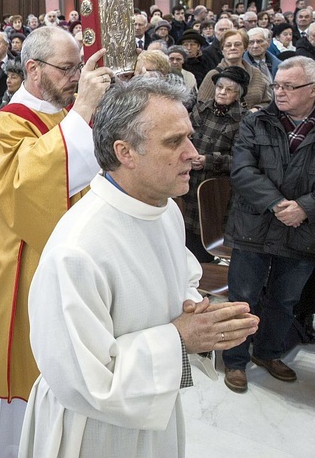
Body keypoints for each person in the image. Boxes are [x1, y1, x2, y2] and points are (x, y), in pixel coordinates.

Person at [19, 76, 258, 458]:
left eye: (189, 137)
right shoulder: (78, 248)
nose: (194, 153)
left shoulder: (163, 211)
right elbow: (83, 381)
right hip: (92, 431)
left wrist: (193, 309)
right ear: (125, 152)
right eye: (173, 141)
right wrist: (181, 339)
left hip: (151, 408)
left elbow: (177, 279)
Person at [0, 26, 113, 457]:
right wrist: (86, 107)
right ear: (33, 69)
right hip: (27, 261)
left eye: (79, 67)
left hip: (76, 256)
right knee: (30, 363)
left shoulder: (65, 114)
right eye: (67, 68)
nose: (76, 77)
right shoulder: (6, 123)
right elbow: (24, 186)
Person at [222, 56, 315, 393]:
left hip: (303, 230)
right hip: (255, 224)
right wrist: (278, 204)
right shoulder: (255, 122)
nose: (280, 92)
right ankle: (234, 360)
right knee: (242, 297)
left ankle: (268, 352)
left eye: (289, 87)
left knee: (285, 299)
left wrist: (304, 207)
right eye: (277, 85)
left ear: (312, 90)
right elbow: (242, 171)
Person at [182, 66, 249, 262]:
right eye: (220, 87)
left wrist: (209, 161)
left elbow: (242, 159)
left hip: (215, 189)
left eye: (229, 90)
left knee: (204, 237)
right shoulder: (200, 109)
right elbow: (182, 137)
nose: (222, 92)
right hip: (188, 179)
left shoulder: (244, 120)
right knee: (182, 233)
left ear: (238, 94)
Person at [197, 29, 271, 110]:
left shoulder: (256, 73)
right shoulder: (213, 75)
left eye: (237, 44)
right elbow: (201, 106)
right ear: (222, 50)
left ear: (245, 48)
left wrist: (256, 109)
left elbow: (267, 102)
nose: (233, 48)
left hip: (254, 121)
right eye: (228, 45)